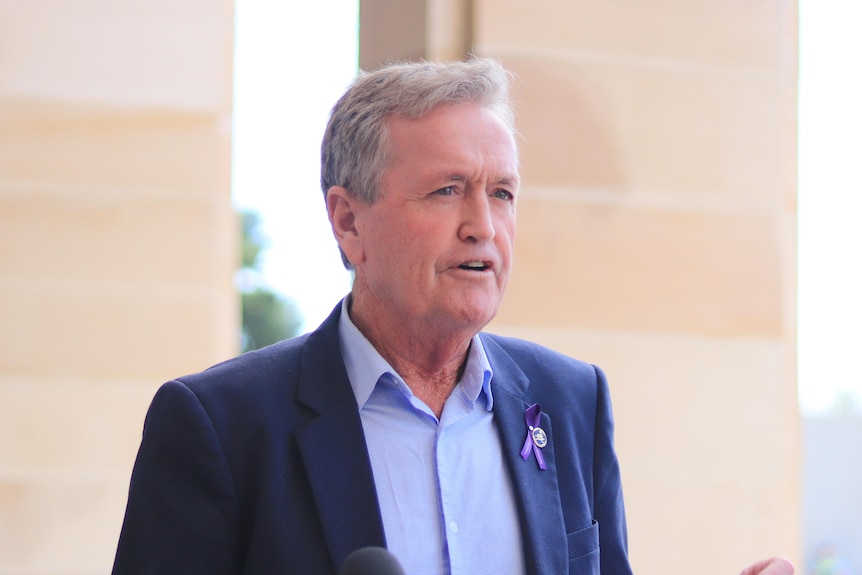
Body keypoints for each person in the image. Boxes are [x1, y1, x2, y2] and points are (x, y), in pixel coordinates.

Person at [112, 58, 793, 575]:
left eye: (502, 193)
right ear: (349, 222)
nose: (483, 227)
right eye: (447, 191)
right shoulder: (219, 426)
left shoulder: (570, 402)